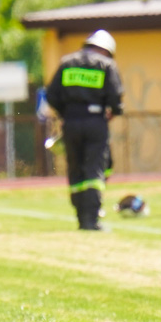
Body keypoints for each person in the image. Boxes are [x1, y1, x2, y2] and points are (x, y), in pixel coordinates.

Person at [45, 30, 123, 230]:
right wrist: (113, 111)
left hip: (71, 122)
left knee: (76, 168)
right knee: (94, 170)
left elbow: (51, 94)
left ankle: (81, 217)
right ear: (106, 50)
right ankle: (92, 219)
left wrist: (65, 113)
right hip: (95, 122)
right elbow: (116, 97)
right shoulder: (106, 65)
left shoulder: (67, 63)